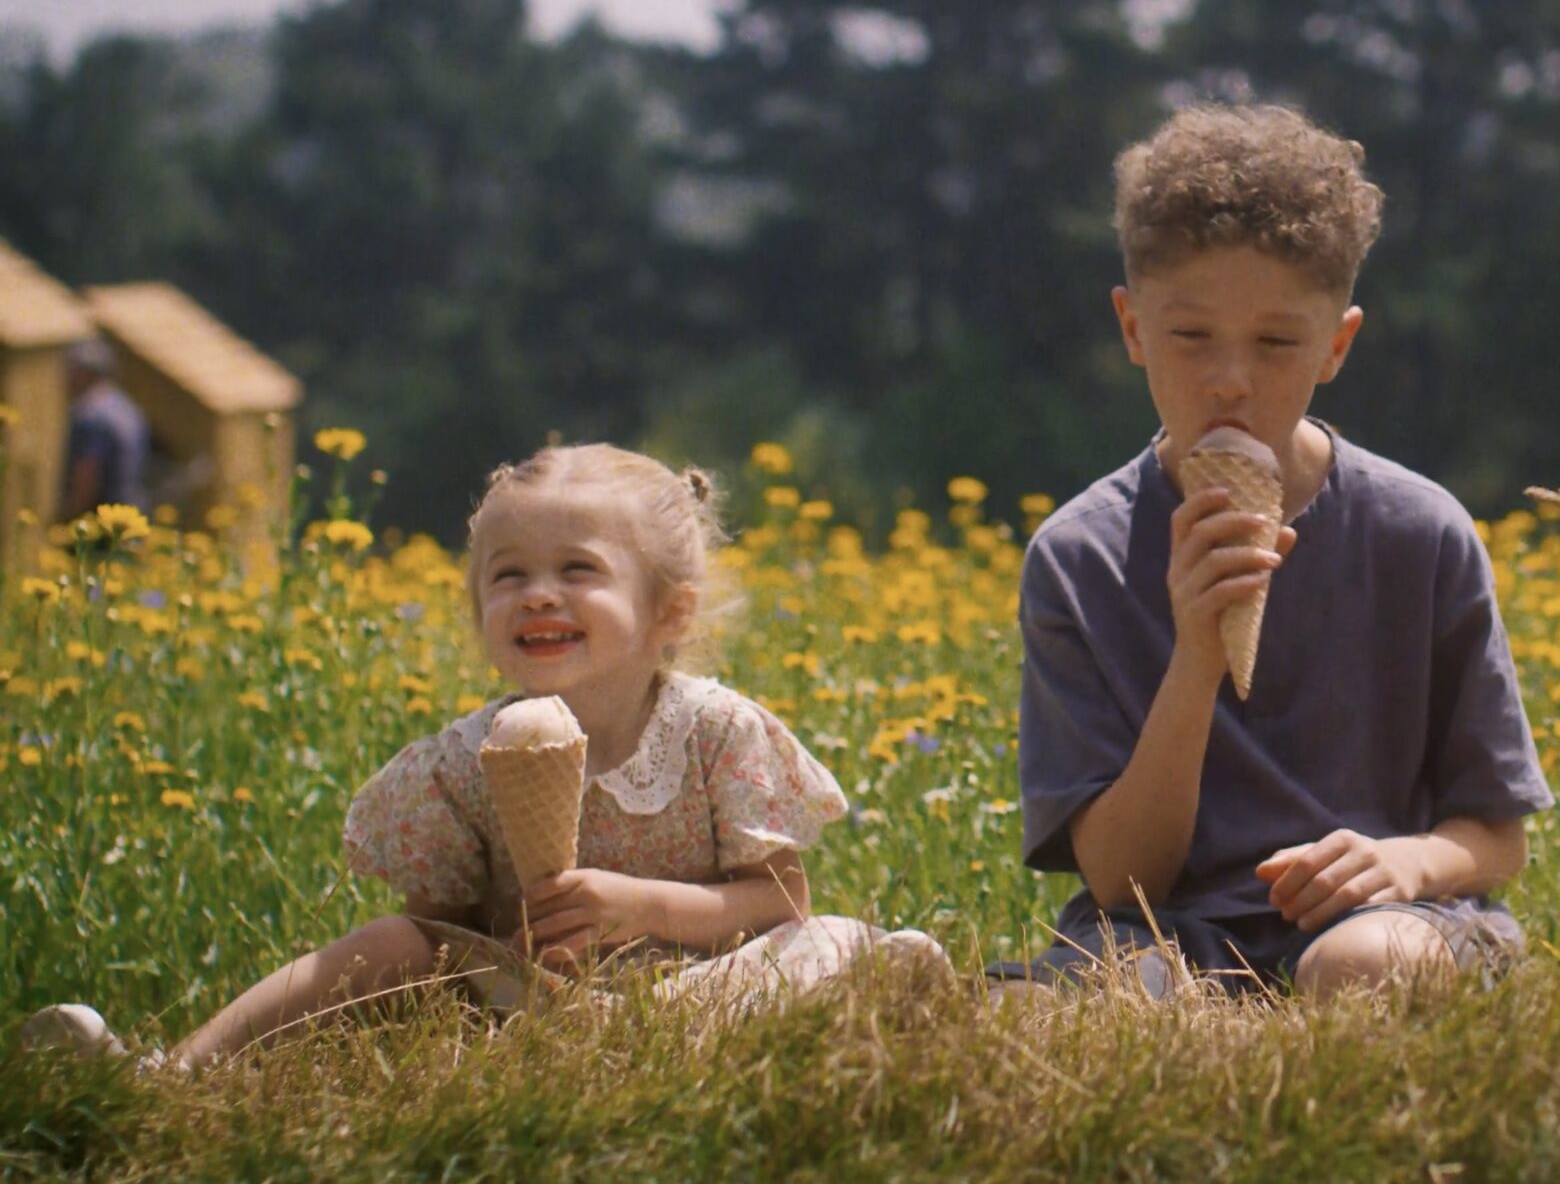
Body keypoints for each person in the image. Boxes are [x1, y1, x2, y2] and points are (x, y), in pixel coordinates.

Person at [22, 443, 938, 1070]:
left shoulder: (714, 732)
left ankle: (882, 989)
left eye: (577, 570)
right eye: (508, 576)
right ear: (479, 610)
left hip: (700, 995)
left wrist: (635, 906)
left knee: (829, 941)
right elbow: (439, 932)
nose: (538, 595)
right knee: (388, 943)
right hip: (527, 1005)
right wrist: (487, 962)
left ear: (671, 613)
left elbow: (780, 898)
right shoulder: (461, 759)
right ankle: (169, 1071)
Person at [995, 104, 1553, 999]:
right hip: (1167, 926)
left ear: (1337, 344)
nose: (1229, 378)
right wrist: (1197, 655)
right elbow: (1120, 879)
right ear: (1132, 329)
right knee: (1094, 995)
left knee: (1359, 966)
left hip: (1392, 921)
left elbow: (1496, 839)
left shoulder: (1420, 533)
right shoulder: (1081, 557)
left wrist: (1403, 864)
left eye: (1277, 342)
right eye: (1188, 336)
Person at [60, 337, 149, 520]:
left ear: (86, 374)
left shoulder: (90, 416)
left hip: (102, 523)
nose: (65, 378)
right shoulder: (123, 405)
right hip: (131, 512)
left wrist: (66, 519)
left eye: (71, 370)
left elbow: (86, 479)